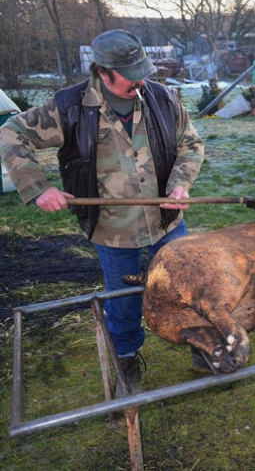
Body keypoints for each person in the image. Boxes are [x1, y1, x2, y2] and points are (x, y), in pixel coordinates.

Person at [0, 30, 204, 395]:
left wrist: (180, 183)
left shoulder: (162, 98)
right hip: (112, 230)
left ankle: (200, 342)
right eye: (130, 72)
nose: (139, 79)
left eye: (141, 69)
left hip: (167, 221)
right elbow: (12, 133)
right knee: (122, 300)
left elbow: (190, 144)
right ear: (103, 71)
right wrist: (37, 187)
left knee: (186, 287)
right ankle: (126, 355)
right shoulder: (70, 107)